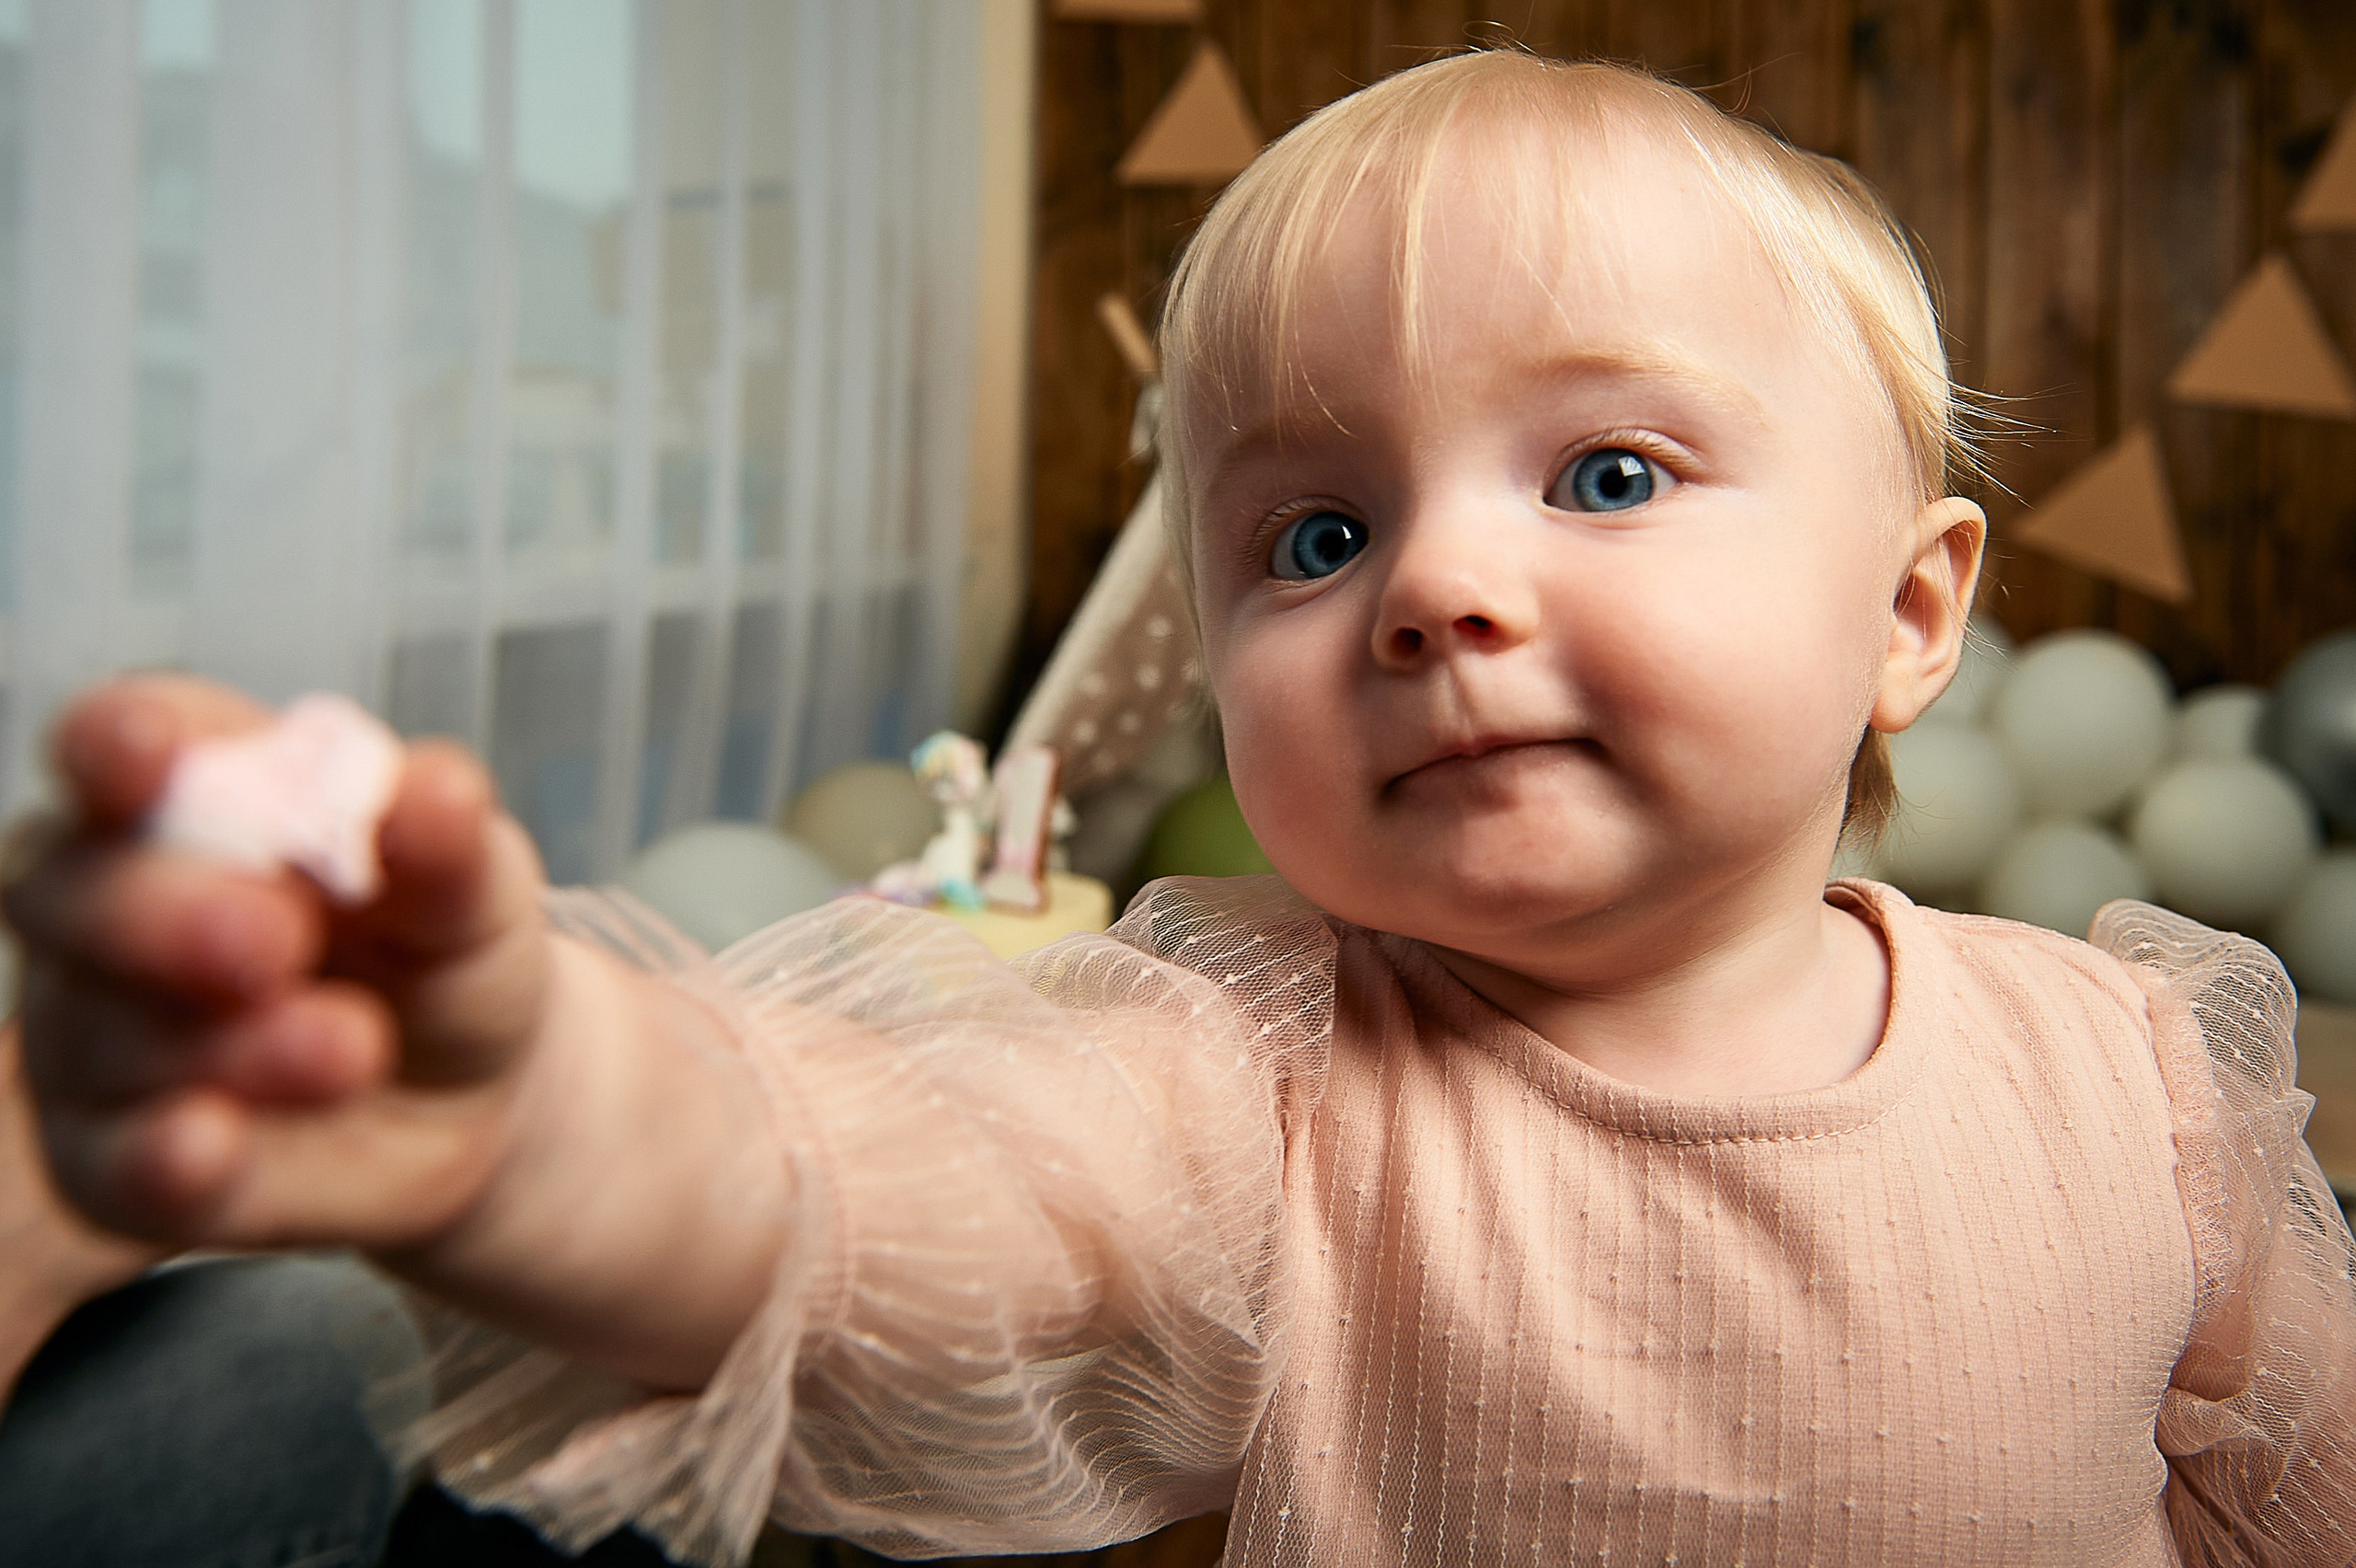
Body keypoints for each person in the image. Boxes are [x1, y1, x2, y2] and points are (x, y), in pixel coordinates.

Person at [7, 50, 2352, 1568]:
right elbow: (856, 1185)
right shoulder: (1251, 1077)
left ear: (1908, 613)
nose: (1431, 587)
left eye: (1606, 475)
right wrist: (531, 1120)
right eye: (1312, 535)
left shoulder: (2132, 1081)